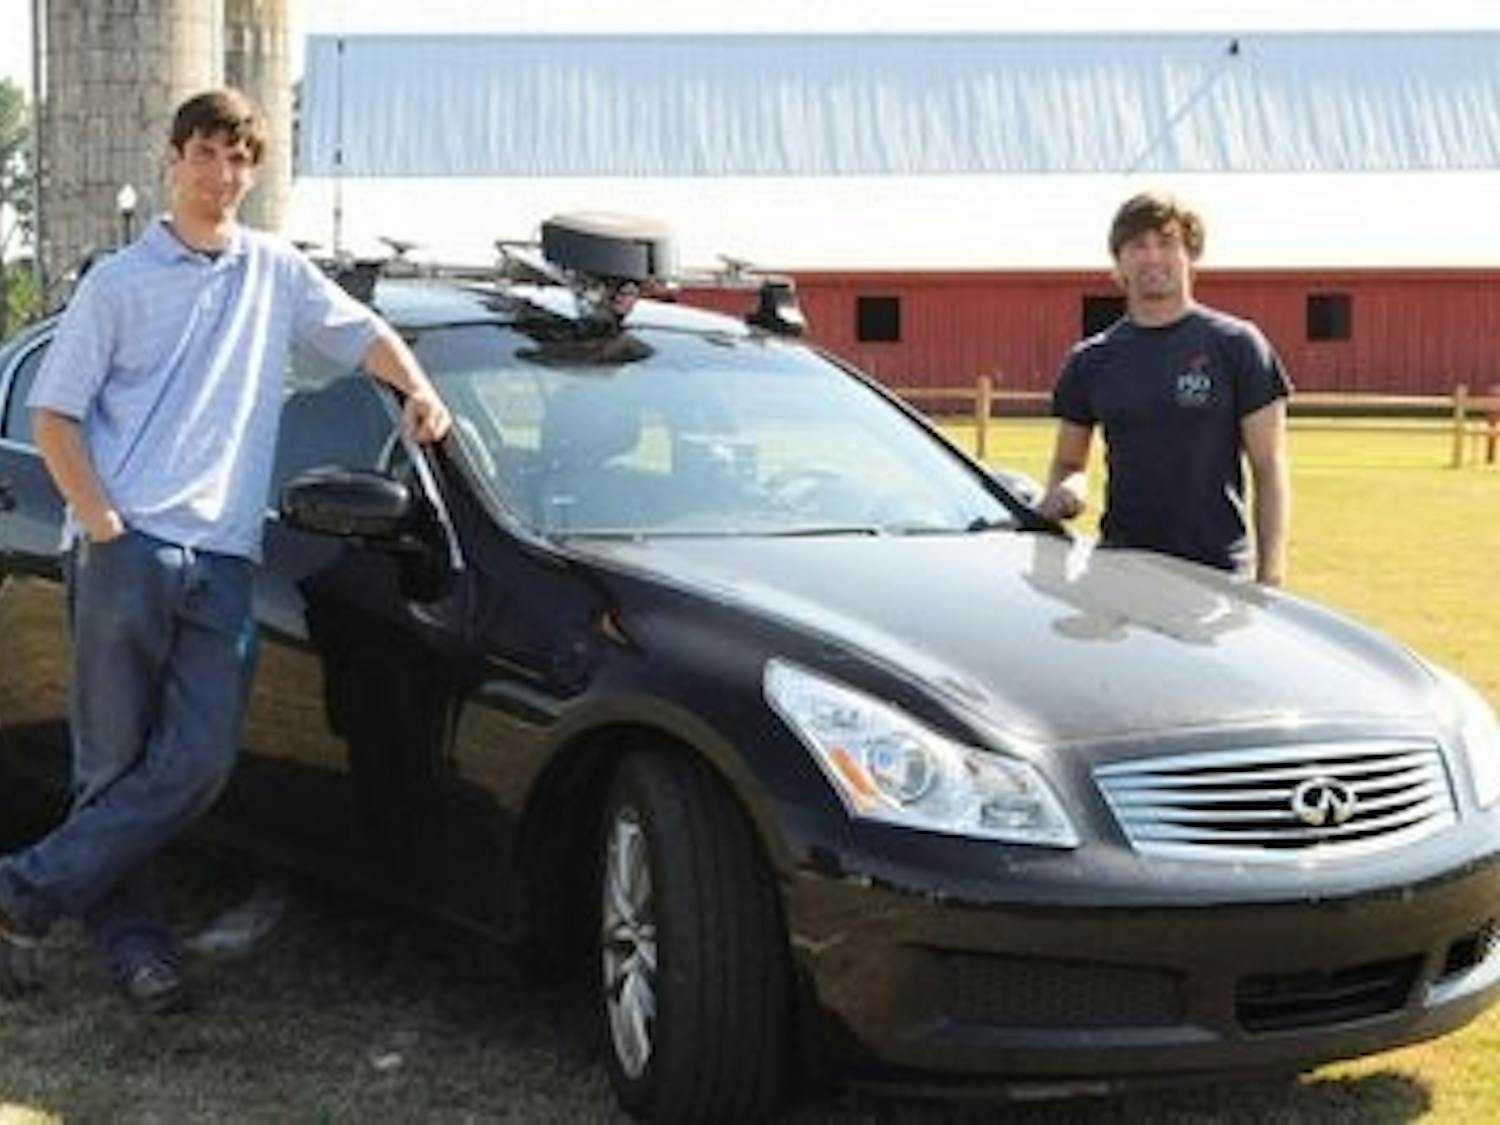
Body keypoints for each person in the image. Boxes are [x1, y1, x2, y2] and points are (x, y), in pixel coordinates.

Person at [0, 88, 451, 1014]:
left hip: (224, 562)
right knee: (114, 764)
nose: (223, 173)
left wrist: (417, 388)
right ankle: (137, 950)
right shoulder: (119, 283)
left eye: (240, 157)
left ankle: (23, 888)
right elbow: (54, 413)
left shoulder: (275, 271)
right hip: (126, 548)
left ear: (255, 168)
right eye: (206, 153)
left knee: (199, 761)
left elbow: (360, 333)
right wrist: (103, 521)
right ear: (174, 161)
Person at [1036, 191, 1291, 585]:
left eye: (1166, 243)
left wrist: (1270, 580)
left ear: (1190, 257)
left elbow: (1269, 468)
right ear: (1119, 261)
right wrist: (1069, 489)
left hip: (1216, 575)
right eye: (1138, 245)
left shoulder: (1237, 345)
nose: (1153, 256)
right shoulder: (1091, 359)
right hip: (1120, 571)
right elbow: (1069, 463)